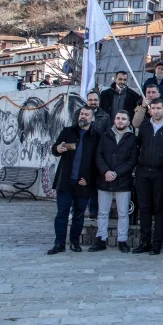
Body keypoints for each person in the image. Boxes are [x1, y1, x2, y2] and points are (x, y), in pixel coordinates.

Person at [47, 106, 100, 255]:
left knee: (79, 214)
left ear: (92, 118)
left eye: (87, 114)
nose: (83, 116)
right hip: (65, 180)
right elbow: (54, 149)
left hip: (83, 183)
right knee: (62, 213)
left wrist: (88, 179)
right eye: (82, 114)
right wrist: (58, 149)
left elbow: (97, 161)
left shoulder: (96, 136)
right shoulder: (68, 131)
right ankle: (59, 243)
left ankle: (75, 242)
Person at [89, 110, 138, 253]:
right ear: (114, 120)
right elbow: (98, 156)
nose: (120, 121)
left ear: (128, 122)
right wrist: (106, 171)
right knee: (103, 212)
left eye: (123, 118)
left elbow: (132, 161)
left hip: (123, 181)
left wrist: (117, 172)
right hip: (105, 179)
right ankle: (101, 239)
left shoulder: (132, 138)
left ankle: (122, 240)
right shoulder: (105, 136)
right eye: (118, 118)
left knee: (123, 213)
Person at [132, 97, 163, 255]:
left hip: (161, 172)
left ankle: (157, 244)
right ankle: (144, 242)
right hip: (143, 171)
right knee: (144, 209)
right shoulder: (144, 126)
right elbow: (139, 145)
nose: (156, 111)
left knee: (160, 209)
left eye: (159, 108)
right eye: (153, 108)